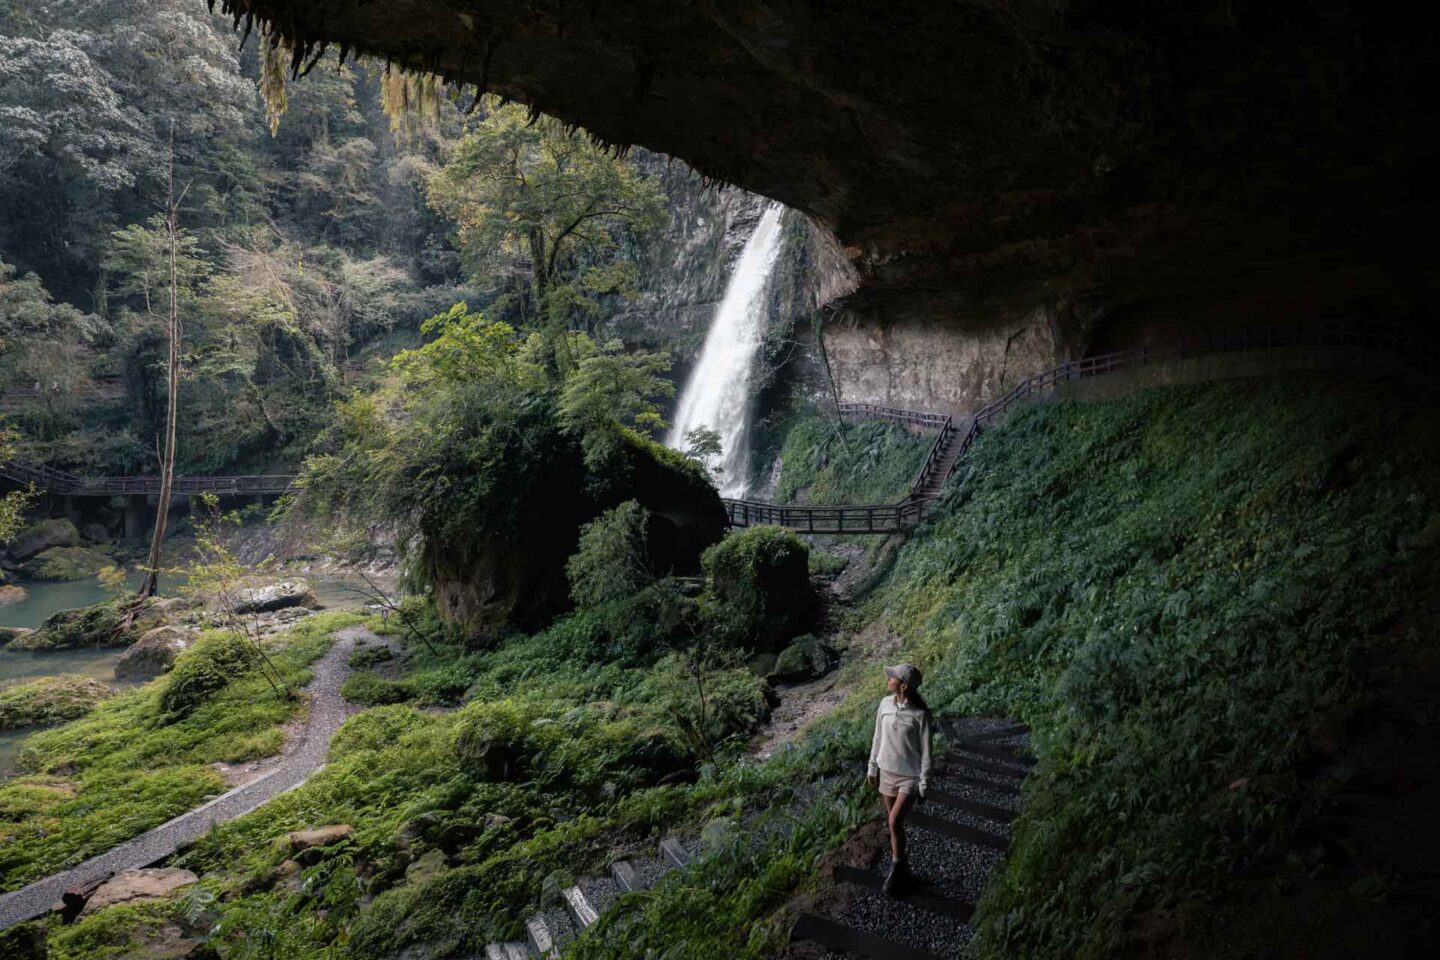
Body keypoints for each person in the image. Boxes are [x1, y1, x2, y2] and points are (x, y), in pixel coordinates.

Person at [866, 662, 932, 896]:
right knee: (896, 826)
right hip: (887, 772)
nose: (888, 679)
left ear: (903, 686)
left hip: (909, 777)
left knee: (894, 822)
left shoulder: (920, 715)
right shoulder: (884, 704)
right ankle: (903, 870)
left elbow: (926, 753)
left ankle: (895, 871)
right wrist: (872, 768)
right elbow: (877, 737)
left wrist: (924, 784)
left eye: (892, 677)